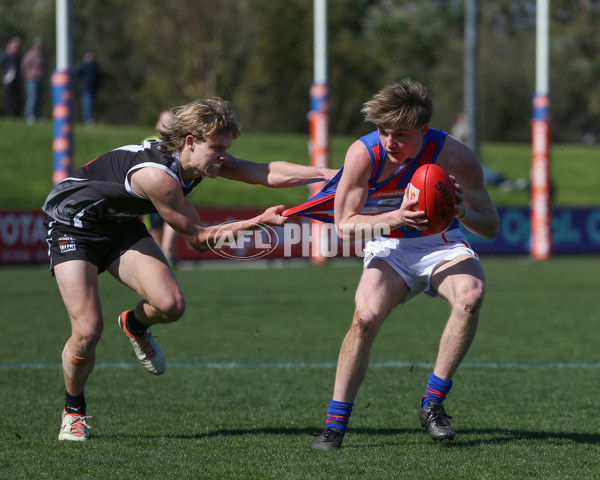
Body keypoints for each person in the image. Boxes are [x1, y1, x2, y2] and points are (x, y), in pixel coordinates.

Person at [42, 98, 335, 441]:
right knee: (88, 330)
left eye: (227, 147)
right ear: (191, 141)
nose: (224, 156)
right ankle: (73, 409)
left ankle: (134, 324)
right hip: (72, 225)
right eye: (217, 148)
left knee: (170, 305)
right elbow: (198, 238)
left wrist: (326, 173)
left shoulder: (199, 159)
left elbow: (263, 172)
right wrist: (256, 222)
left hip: (119, 225)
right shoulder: (159, 178)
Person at [308, 79, 499, 450]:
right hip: (389, 243)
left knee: (470, 295)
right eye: (382, 132)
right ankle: (335, 424)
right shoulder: (363, 154)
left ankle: (432, 402)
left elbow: (490, 225)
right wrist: (396, 217)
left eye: (400, 134)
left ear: (423, 131)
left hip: (442, 242)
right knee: (364, 318)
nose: (389, 142)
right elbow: (345, 225)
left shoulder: (456, 156)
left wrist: (459, 210)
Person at [451, 112, 527, 192]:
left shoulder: (466, 127)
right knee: (484, 172)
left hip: (469, 157)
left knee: (484, 171)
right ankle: (504, 183)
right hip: (465, 159)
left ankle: (506, 182)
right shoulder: (459, 128)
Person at [146, 110, 179, 265]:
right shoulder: (148, 141)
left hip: (173, 191)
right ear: (157, 124)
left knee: (173, 219)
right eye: (164, 121)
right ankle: (159, 255)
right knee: (155, 226)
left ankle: (168, 251)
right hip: (153, 194)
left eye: (171, 121)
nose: (167, 125)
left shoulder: (180, 143)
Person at [21, 38, 47, 124]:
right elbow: (24, 67)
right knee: (32, 98)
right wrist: (26, 76)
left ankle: (38, 115)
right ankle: (30, 115)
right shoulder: (29, 55)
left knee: (39, 99)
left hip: (40, 79)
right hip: (31, 79)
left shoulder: (42, 56)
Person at [76, 51, 100, 125]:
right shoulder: (83, 65)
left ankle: (87, 119)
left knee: (90, 104)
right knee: (87, 104)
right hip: (86, 88)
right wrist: (82, 82)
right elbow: (76, 73)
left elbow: (98, 78)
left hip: (93, 89)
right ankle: (87, 120)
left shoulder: (94, 66)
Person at [0, 37, 22, 117]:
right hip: (7, 79)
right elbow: (1, 66)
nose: (16, 48)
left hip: (16, 80)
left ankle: (17, 114)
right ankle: (8, 114)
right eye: (14, 46)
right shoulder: (4, 56)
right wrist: (7, 69)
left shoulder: (17, 57)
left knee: (18, 97)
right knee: (8, 97)